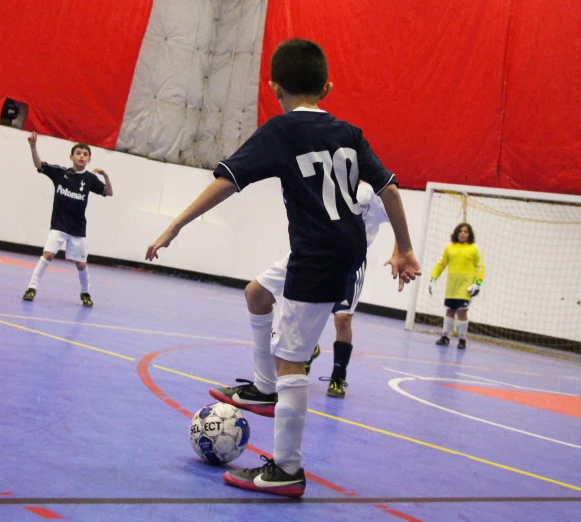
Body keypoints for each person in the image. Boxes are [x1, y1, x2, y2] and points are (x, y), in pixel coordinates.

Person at [145, 38, 420, 497]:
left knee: (291, 358)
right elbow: (390, 188)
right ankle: (262, 388)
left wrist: (175, 224)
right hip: (334, 246)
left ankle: (287, 469)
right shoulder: (349, 131)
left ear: (274, 87)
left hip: (318, 254)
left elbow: (227, 181)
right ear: (327, 86)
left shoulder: (280, 130)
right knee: (257, 292)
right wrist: (404, 248)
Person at [216, 182, 392, 413]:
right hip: (310, 253)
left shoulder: (372, 191)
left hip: (349, 264)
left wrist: (402, 248)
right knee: (258, 295)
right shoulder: (325, 176)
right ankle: (269, 385)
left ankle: (337, 377)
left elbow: (396, 210)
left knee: (342, 319)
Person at [22, 133, 112, 307]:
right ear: (71, 157)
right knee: (48, 254)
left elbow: (109, 193)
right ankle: (31, 288)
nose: (81, 156)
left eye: (85, 154)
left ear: (89, 159)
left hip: (78, 230)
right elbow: (39, 165)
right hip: (58, 226)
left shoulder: (90, 179)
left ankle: (85, 293)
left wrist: (106, 177)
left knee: (81, 264)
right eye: (78, 153)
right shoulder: (60, 173)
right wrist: (33, 146)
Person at [429, 222, 485, 349]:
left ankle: (462, 339)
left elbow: (480, 267)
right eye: (460, 231)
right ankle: (445, 336)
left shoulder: (474, 249)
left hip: (465, 286)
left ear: (469, 234)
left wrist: (478, 283)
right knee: (449, 310)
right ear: (456, 233)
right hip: (451, 286)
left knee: (462, 311)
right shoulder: (450, 248)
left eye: (465, 231)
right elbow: (441, 264)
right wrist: (433, 278)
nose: (463, 234)